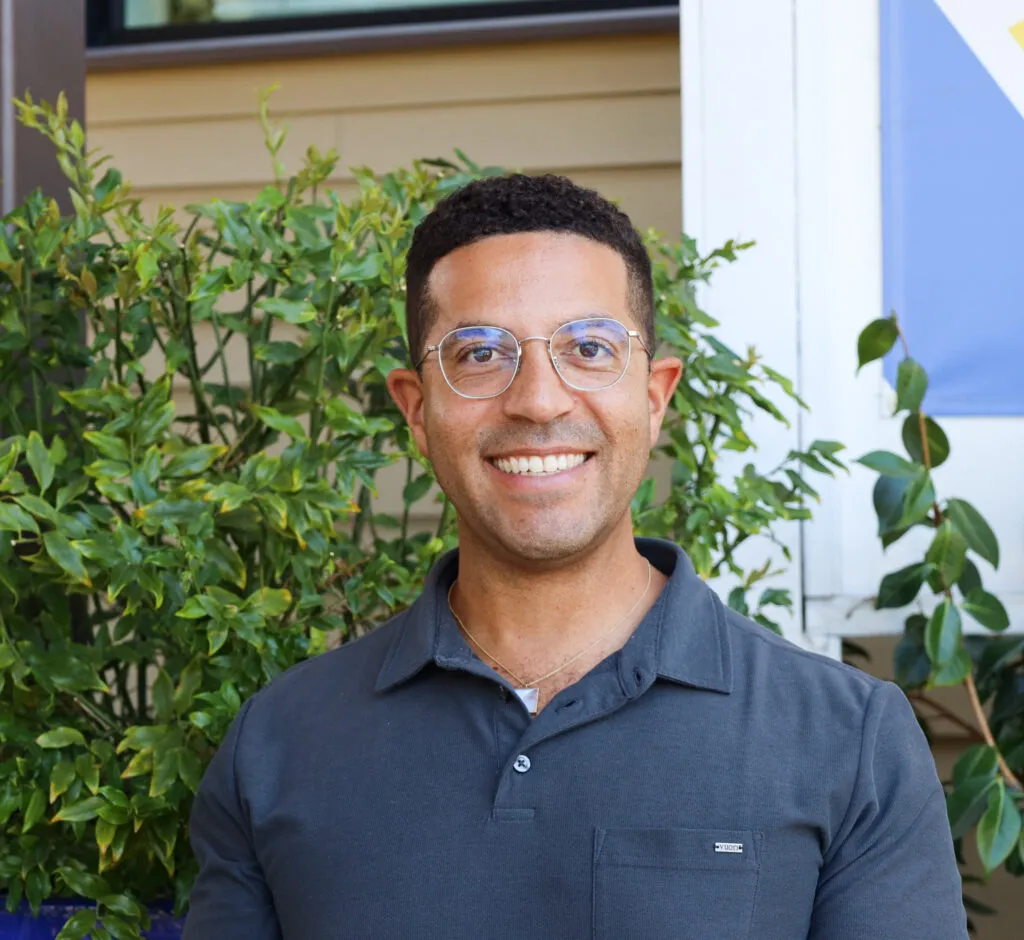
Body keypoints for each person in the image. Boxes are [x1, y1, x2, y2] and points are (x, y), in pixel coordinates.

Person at [183, 174, 968, 939]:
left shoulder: (847, 742)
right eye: (480, 353)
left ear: (655, 397)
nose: (539, 399)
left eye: (589, 348)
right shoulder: (277, 747)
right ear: (416, 412)